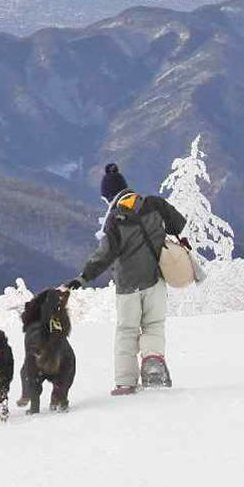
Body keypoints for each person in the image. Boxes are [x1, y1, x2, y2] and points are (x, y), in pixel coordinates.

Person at [67, 165, 188, 395]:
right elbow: (178, 225)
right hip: (155, 279)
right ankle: (153, 365)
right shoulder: (154, 204)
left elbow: (104, 256)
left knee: (126, 331)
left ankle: (125, 383)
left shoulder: (115, 219)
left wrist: (83, 278)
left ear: (108, 197)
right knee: (153, 325)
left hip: (127, 287)